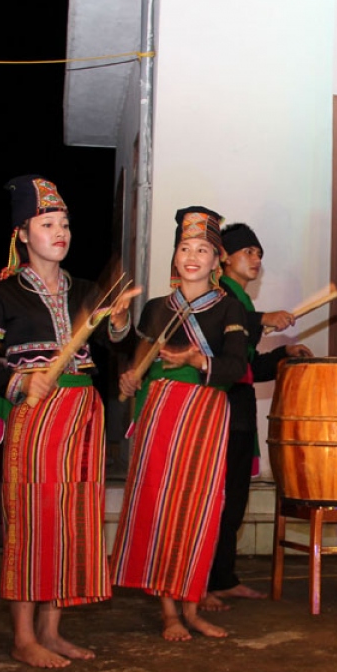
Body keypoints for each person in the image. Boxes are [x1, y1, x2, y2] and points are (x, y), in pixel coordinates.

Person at [0, 175, 138, 668]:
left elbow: (119, 346)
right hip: (36, 416)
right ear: (22, 233)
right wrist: (18, 380)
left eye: (65, 224)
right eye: (47, 224)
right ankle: (23, 637)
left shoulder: (86, 290)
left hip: (82, 413)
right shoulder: (3, 294)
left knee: (71, 518)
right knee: (32, 520)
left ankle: (51, 631)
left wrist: (118, 322)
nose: (60, 232)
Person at [113, 206, 248, 641]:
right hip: (160, 413)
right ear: (175, 256)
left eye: (202, 250)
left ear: (216, 260)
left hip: (204, 414)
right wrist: (131, 377)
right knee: (159, 505)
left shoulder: (229, 309)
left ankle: (193, 606)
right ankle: (169, 612)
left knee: (199, 508)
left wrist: (197, 359)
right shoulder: (156, 309)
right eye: (185, 248)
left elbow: (235, 367)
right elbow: (139, 359)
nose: (192, 256)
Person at [202, 223, 312, 611]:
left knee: (234, 501)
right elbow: (218, 331)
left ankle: (223, 578)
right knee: (214, 499)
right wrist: (265, 318)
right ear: (224, 257)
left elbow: (247, 367)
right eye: (248, 251)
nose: (256, 259)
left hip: (240, 408)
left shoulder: (244, 303)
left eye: (259, 254)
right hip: (217, 408)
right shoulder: (216, 295)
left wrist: (283, 355)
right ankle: (199, 581)